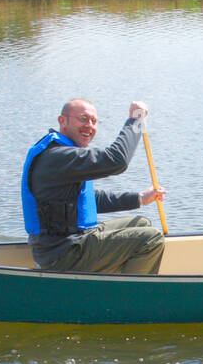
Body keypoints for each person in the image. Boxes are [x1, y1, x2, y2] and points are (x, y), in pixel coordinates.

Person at [21, 98, 167, 274]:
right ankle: (128, 297)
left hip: (74, 243)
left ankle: (115, 283)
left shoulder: (64, 155)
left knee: (141, 223)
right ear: (63, 121)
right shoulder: (58, 156)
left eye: (94, 121)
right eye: (83, 119)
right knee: (150, 239)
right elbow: (117, 160)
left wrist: (140, 199)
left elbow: (89, 200)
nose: (89, 126)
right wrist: (135, 120)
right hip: (63, 255)